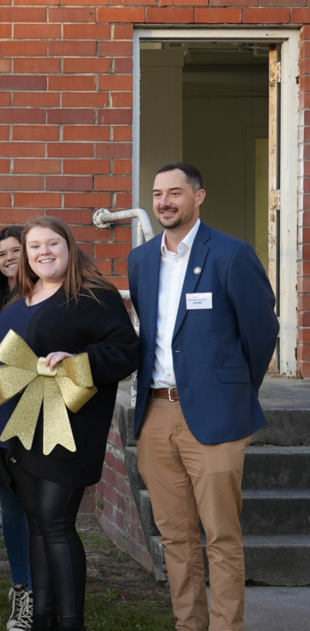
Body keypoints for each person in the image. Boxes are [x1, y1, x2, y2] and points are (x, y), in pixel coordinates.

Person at [128, 163, 278, 631]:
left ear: (199, 197)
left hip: (215, 417)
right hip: (155, 414)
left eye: (175, 192)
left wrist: (232, 390)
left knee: (221, 537)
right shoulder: (141, 259)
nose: (164, 202)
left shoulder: (231, 254)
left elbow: (261, 332)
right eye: (157, 194)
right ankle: (187, 625)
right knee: (175, 537)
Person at [0, 216, 138, 631]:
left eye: (52, 243)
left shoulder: (94, 295)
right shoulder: (19, 300)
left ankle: (71, 623)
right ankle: (44, 618)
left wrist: (80, 363)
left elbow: (126, 350)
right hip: (21, 427)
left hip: (69, 430)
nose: (43, 251)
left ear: (69, 247)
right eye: (34, 245)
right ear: (24, 254)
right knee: (37, 524)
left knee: (56, 521)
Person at [0, 225, 33, 631]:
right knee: (13, 509)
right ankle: (23, 590)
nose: (9, 258)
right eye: (2, 253)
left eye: (17, 249)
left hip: (42, 418)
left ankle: (45, 589)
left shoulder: (49, 298)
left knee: (46, 513)